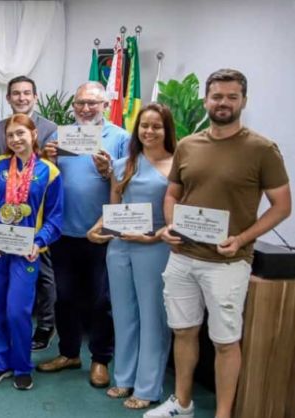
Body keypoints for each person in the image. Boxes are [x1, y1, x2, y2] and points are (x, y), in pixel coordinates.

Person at [146, 69, 291, 418]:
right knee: (183, 332)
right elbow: (173, 193)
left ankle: (223, 414)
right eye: (217, 96)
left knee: (225, 342)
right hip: (183, 256)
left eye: (231, 97)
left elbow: (283, 206)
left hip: (228, 263)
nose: (223, 103)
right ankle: (182, 404)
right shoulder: (189, 144)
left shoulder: (262, 149)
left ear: (243, 101)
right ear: (206, 100)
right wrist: (169, 226)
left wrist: (242, 238)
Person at [36, 82, 130, 389]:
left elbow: (131, 184)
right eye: (80, 103)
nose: (86, 109)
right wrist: (48, 160)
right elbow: (46, 181)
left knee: (100, 300)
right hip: (63, 232)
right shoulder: (60, 135)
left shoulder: (120, 138)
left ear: (105, 104)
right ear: (73, 106)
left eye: (92, 103)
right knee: (64, 297)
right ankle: (68, 353)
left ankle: (101, 360)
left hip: (100, 233)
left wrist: (109, 173)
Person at [86, 103, 176, 410]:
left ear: (167, 131)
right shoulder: (123, 164)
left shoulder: (176, 166)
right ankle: (123, 378)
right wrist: (96, 229)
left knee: (153, 317)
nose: (149, 131)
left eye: (156, 126)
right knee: (123, 314)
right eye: (144, 126)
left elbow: (175, 220)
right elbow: (113, 208)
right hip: (120, 247)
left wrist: (150, 236)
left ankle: (148, 387)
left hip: (155, 247)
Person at [0, 113, 63, 391]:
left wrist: (38, 243)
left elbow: (55, 217)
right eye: (10, 135)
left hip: (26, 251)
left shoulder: (49, 172)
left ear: (33, 135)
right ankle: (0, 362)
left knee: (18, 310)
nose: (15, 139)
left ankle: (21, 364)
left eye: (21, 133)